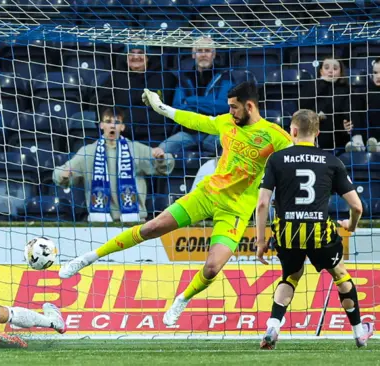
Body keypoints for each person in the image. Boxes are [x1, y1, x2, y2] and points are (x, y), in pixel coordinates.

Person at [59, 82, 293, 328]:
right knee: (152, 228)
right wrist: (161, 108)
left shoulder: (275, 136)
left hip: (236, 210)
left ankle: (182, 298)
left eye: (234, 108)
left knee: (213, 268)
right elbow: (194, 120)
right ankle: (88, 257)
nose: (231, 112)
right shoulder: (226, 122)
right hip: (206, 195)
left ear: (249, 106)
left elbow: (296, 161)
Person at [255, 109, 373, 349]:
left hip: (287, 233)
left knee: (290, 276)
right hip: (320, 232)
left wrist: (260, 242)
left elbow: (262, 204)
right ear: (317, 133)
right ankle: (359, 333)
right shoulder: (332, 161)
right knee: (340, 275)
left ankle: (272, 327)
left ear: (293, 131)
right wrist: (351, 225)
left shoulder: (276, 159)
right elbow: (357, 206)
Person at [53, 107, 174, 222]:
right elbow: (59, 174)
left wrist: (162, 158)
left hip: (134, 222)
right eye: (108, 121)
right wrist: (63, 175)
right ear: (101, 125)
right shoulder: (88, 152)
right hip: (101, 225)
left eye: (117, 122)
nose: (112, 125)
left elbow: (165, 167)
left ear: (122, 127)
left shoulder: (135, 149)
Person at [95, 45, 178, 143]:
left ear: (147, 57)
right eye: (131, 53)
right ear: (126, 57)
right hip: (123, 135)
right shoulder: (114, 78)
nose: (136, 57)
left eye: (140, 52)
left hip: (156, 136)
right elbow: (102, 105)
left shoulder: (166, 77)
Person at [161, 36, 229, 155]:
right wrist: (208, 104)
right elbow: (178, 106)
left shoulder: (225, 76)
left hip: (214, 132)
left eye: (207, 51)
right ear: (193, 55)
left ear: (214, 54)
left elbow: (224, 106)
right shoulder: (184, 78)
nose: (203, 54)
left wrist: (191, 101)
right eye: (199, 51)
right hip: (188, 132)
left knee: (230, 149)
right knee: (161, 150)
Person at [300, 57, 363, 152]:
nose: (330, 71)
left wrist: (345, 125)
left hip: (341, 132)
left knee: (350, 104)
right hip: (318, 129)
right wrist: (322, 83)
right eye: (326, 68)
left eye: (335, 68)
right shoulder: (312, 86)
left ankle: (357, 141)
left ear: (341, 72)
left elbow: (353, 110)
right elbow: (303, 105)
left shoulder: (346, 90)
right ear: (321, 71)